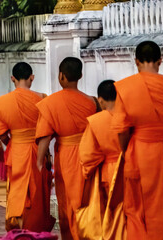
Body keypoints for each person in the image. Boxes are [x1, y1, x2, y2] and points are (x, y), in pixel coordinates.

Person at [111, 41, 163, 239]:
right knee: (161, 202)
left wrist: (125, 150)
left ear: (136, 61)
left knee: (137, 204)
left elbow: (121, 129)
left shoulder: (126, 87)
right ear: (160, 61)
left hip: (139, 149)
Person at [36, 57, 99, 239]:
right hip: (91, 155)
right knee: (88, 199)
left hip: (67, 157)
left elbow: (45, 137)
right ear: (80, 75)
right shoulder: (93, 102)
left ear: (61, 76)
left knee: (69, 202)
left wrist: (40, 162)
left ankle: (72, 235)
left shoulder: (50, 103)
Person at [0, 62, 55, 232]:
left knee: (17, 191)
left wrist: (13, 142)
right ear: (32, 77)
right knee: (38, 192)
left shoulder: (2, 102)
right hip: (38, 150)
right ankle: (36, 228)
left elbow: (1, 133)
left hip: (17, 150)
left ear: (12, 78)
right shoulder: (43, 99)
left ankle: (18, 227)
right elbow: (49, 130)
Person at [80, 80, 121, 199]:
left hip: (109, 171)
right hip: (130, 167)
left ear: (100, 100)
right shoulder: (129, 116)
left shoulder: (96, 121)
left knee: (112, 210)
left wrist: (87, 171)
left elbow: (88, 154)